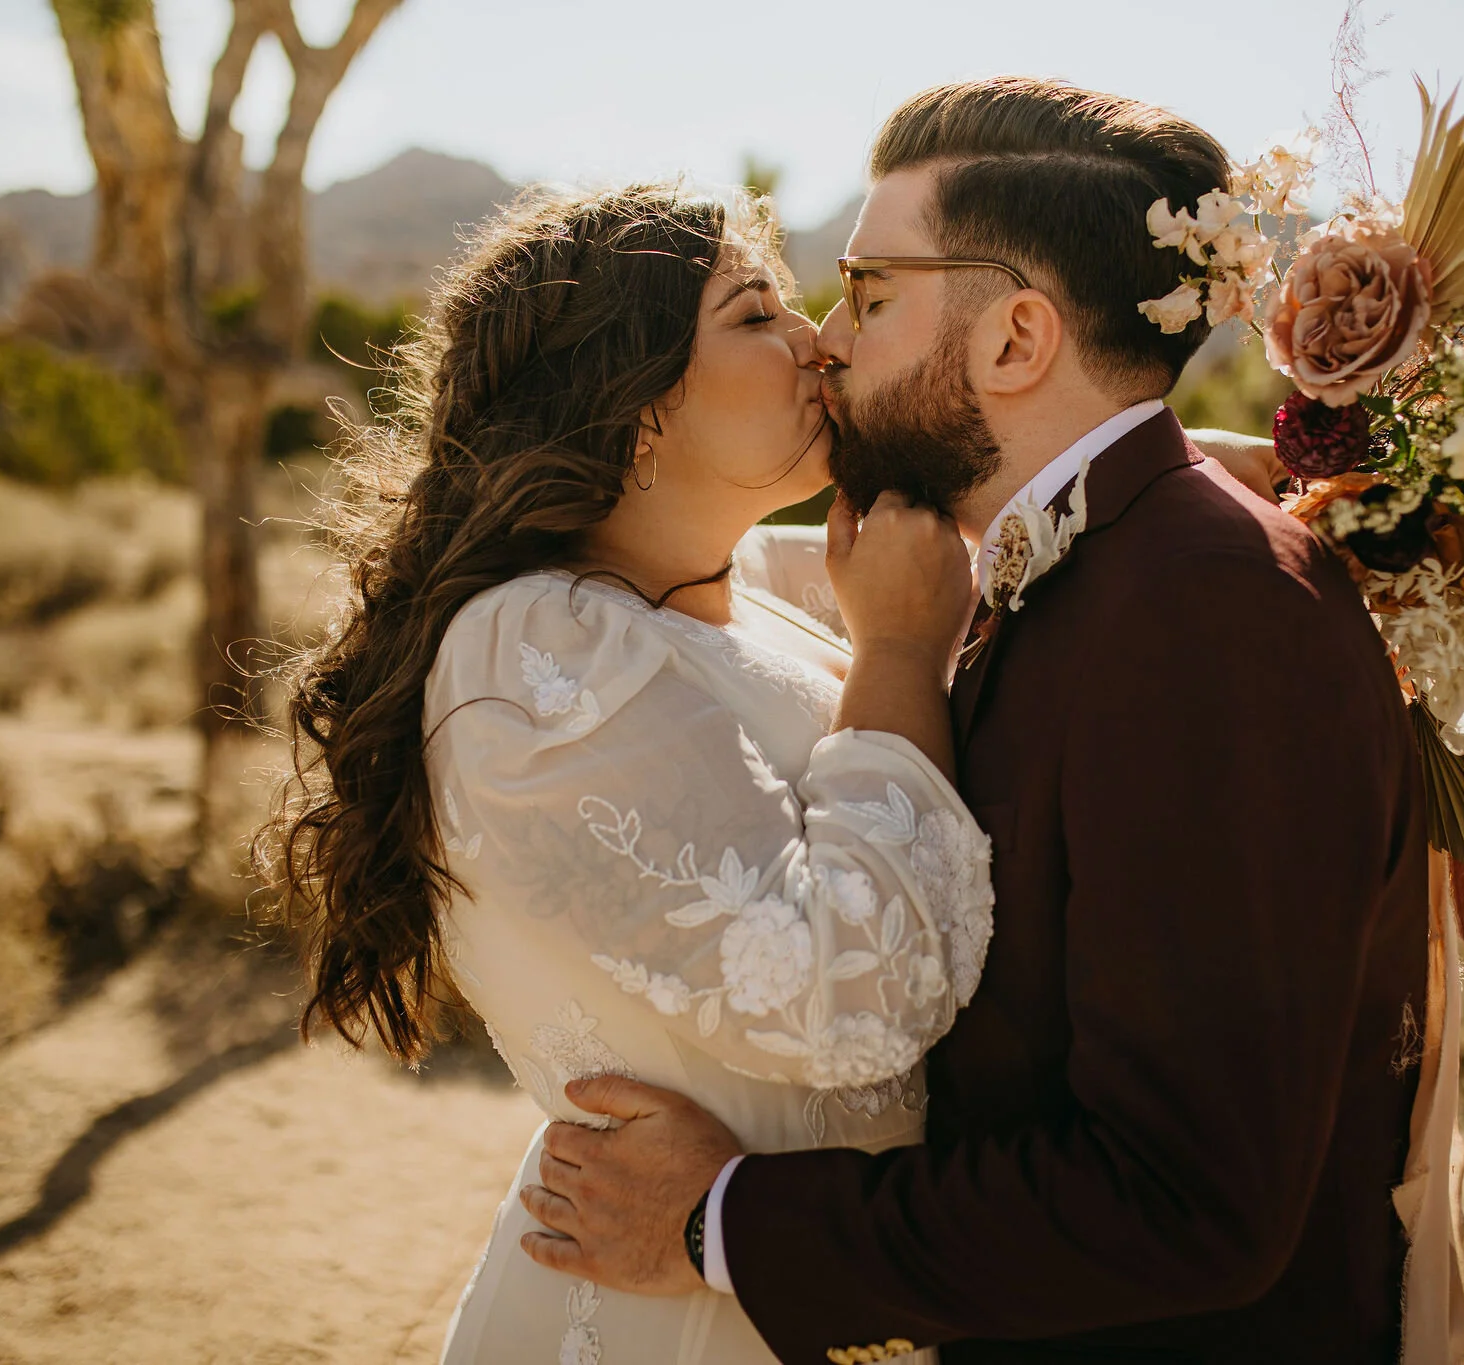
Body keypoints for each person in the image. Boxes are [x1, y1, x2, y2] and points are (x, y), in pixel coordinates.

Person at [518, 78, 1464, 1365]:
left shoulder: (1206, 609)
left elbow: (1183, 1202)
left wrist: (720, 1221)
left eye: (869, 294)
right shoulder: (1078, 557)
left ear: (1015, 339)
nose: (828, 338)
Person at [258, 177, 1300, 1362]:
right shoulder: (535, 648)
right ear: (635, 401)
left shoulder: (738, 588)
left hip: (824, 1296)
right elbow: (850, 998)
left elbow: (976, 535)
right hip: (678, 1310)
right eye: (754, 316)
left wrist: (1163, 471)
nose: (815, 344)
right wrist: (900, 653)